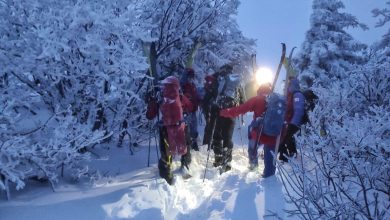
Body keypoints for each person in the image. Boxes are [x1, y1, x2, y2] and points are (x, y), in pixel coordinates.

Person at [220, 83, 277, 177]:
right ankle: (270, 177)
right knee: (270, 153)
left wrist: (223, 112)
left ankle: (253, 169)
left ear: (259, 91)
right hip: (273, 132)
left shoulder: (257, 99)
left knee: (252, 149)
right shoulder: (275, 100)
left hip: (259, 132)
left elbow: (239, 110)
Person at [146, 76, 192, 184]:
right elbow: (191, 107)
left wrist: (150, 103)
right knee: (186, 143)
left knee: (165, 149)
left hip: (165, 127)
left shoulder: (160, 97)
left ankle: (166, 173)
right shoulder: (180, 96)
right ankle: (185, 164)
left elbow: (150, 115)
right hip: (180, 125)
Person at [209, 64, 243, 173]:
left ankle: (218, 159)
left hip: (219, 112)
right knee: (228, 137)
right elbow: (243, 100)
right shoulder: (237, 83)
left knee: (217, 135)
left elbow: (212, 95)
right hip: (231, 113)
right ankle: (227, 163)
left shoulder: (220, 81)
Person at [278, 78, 305, 162]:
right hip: (289, 121)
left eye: (289, 84)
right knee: (288, 139)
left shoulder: (297, 95)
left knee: (282, 139)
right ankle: (292, 154)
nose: (287, 86)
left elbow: (299, 109)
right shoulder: (290, 95)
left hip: (294, 122)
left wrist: (293, 123)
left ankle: (284, 157)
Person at [180, 68, 200, 151]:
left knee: (194, 127)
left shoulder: (193, 85)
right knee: (185, 128)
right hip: (186, 111)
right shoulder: (182, 86)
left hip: (193, 110)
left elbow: (195, 96)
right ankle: (186, 146)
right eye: (190, 76)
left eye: (192, 77)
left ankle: (193, 142)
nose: (191, 78)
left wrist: (199, 100)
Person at [201, 74, 218, 145]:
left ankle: (207, 143)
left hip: (208, 107)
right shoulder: (213, 86)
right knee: (210, 126)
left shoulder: (210, 87)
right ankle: (208, 143)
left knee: (210, 125)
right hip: (209, 108)